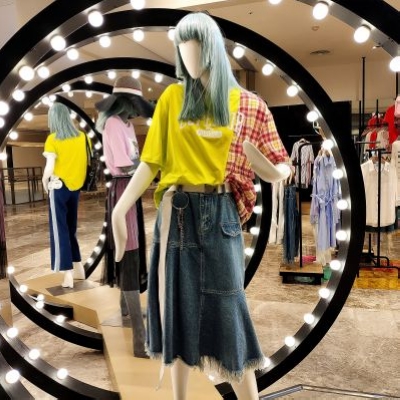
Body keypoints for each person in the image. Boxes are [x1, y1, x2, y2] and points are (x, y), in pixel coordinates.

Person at [112, 12, 291, 400]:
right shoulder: (172, 99)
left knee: (230, 311)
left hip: (222, 212)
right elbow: (151, 161)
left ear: (211, 47)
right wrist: (119, 208)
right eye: (181, 47)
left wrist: (268, 169)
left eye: (194, 45)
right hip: (176, 212)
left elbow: (283, 164)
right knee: (177, 312)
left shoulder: (248, 104)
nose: (187, 55)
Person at [95, 75, 154, 359]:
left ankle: (125, 310)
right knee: (128, 252)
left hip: (132, 189)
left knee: (133, 247)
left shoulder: (127, 124)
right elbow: (124, 163)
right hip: (122, 190)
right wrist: (150, 164)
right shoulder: (113, 124)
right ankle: (139, 341)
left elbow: (134, 162)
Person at [42, 102, 86, 289]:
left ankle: (67, 273)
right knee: (71, 228)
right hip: (75, 188)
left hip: (58, 187)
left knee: (59, 230)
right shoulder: (82, 137)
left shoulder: (52, 139)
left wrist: (44, 180)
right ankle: (78, 267)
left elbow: (50, 167)